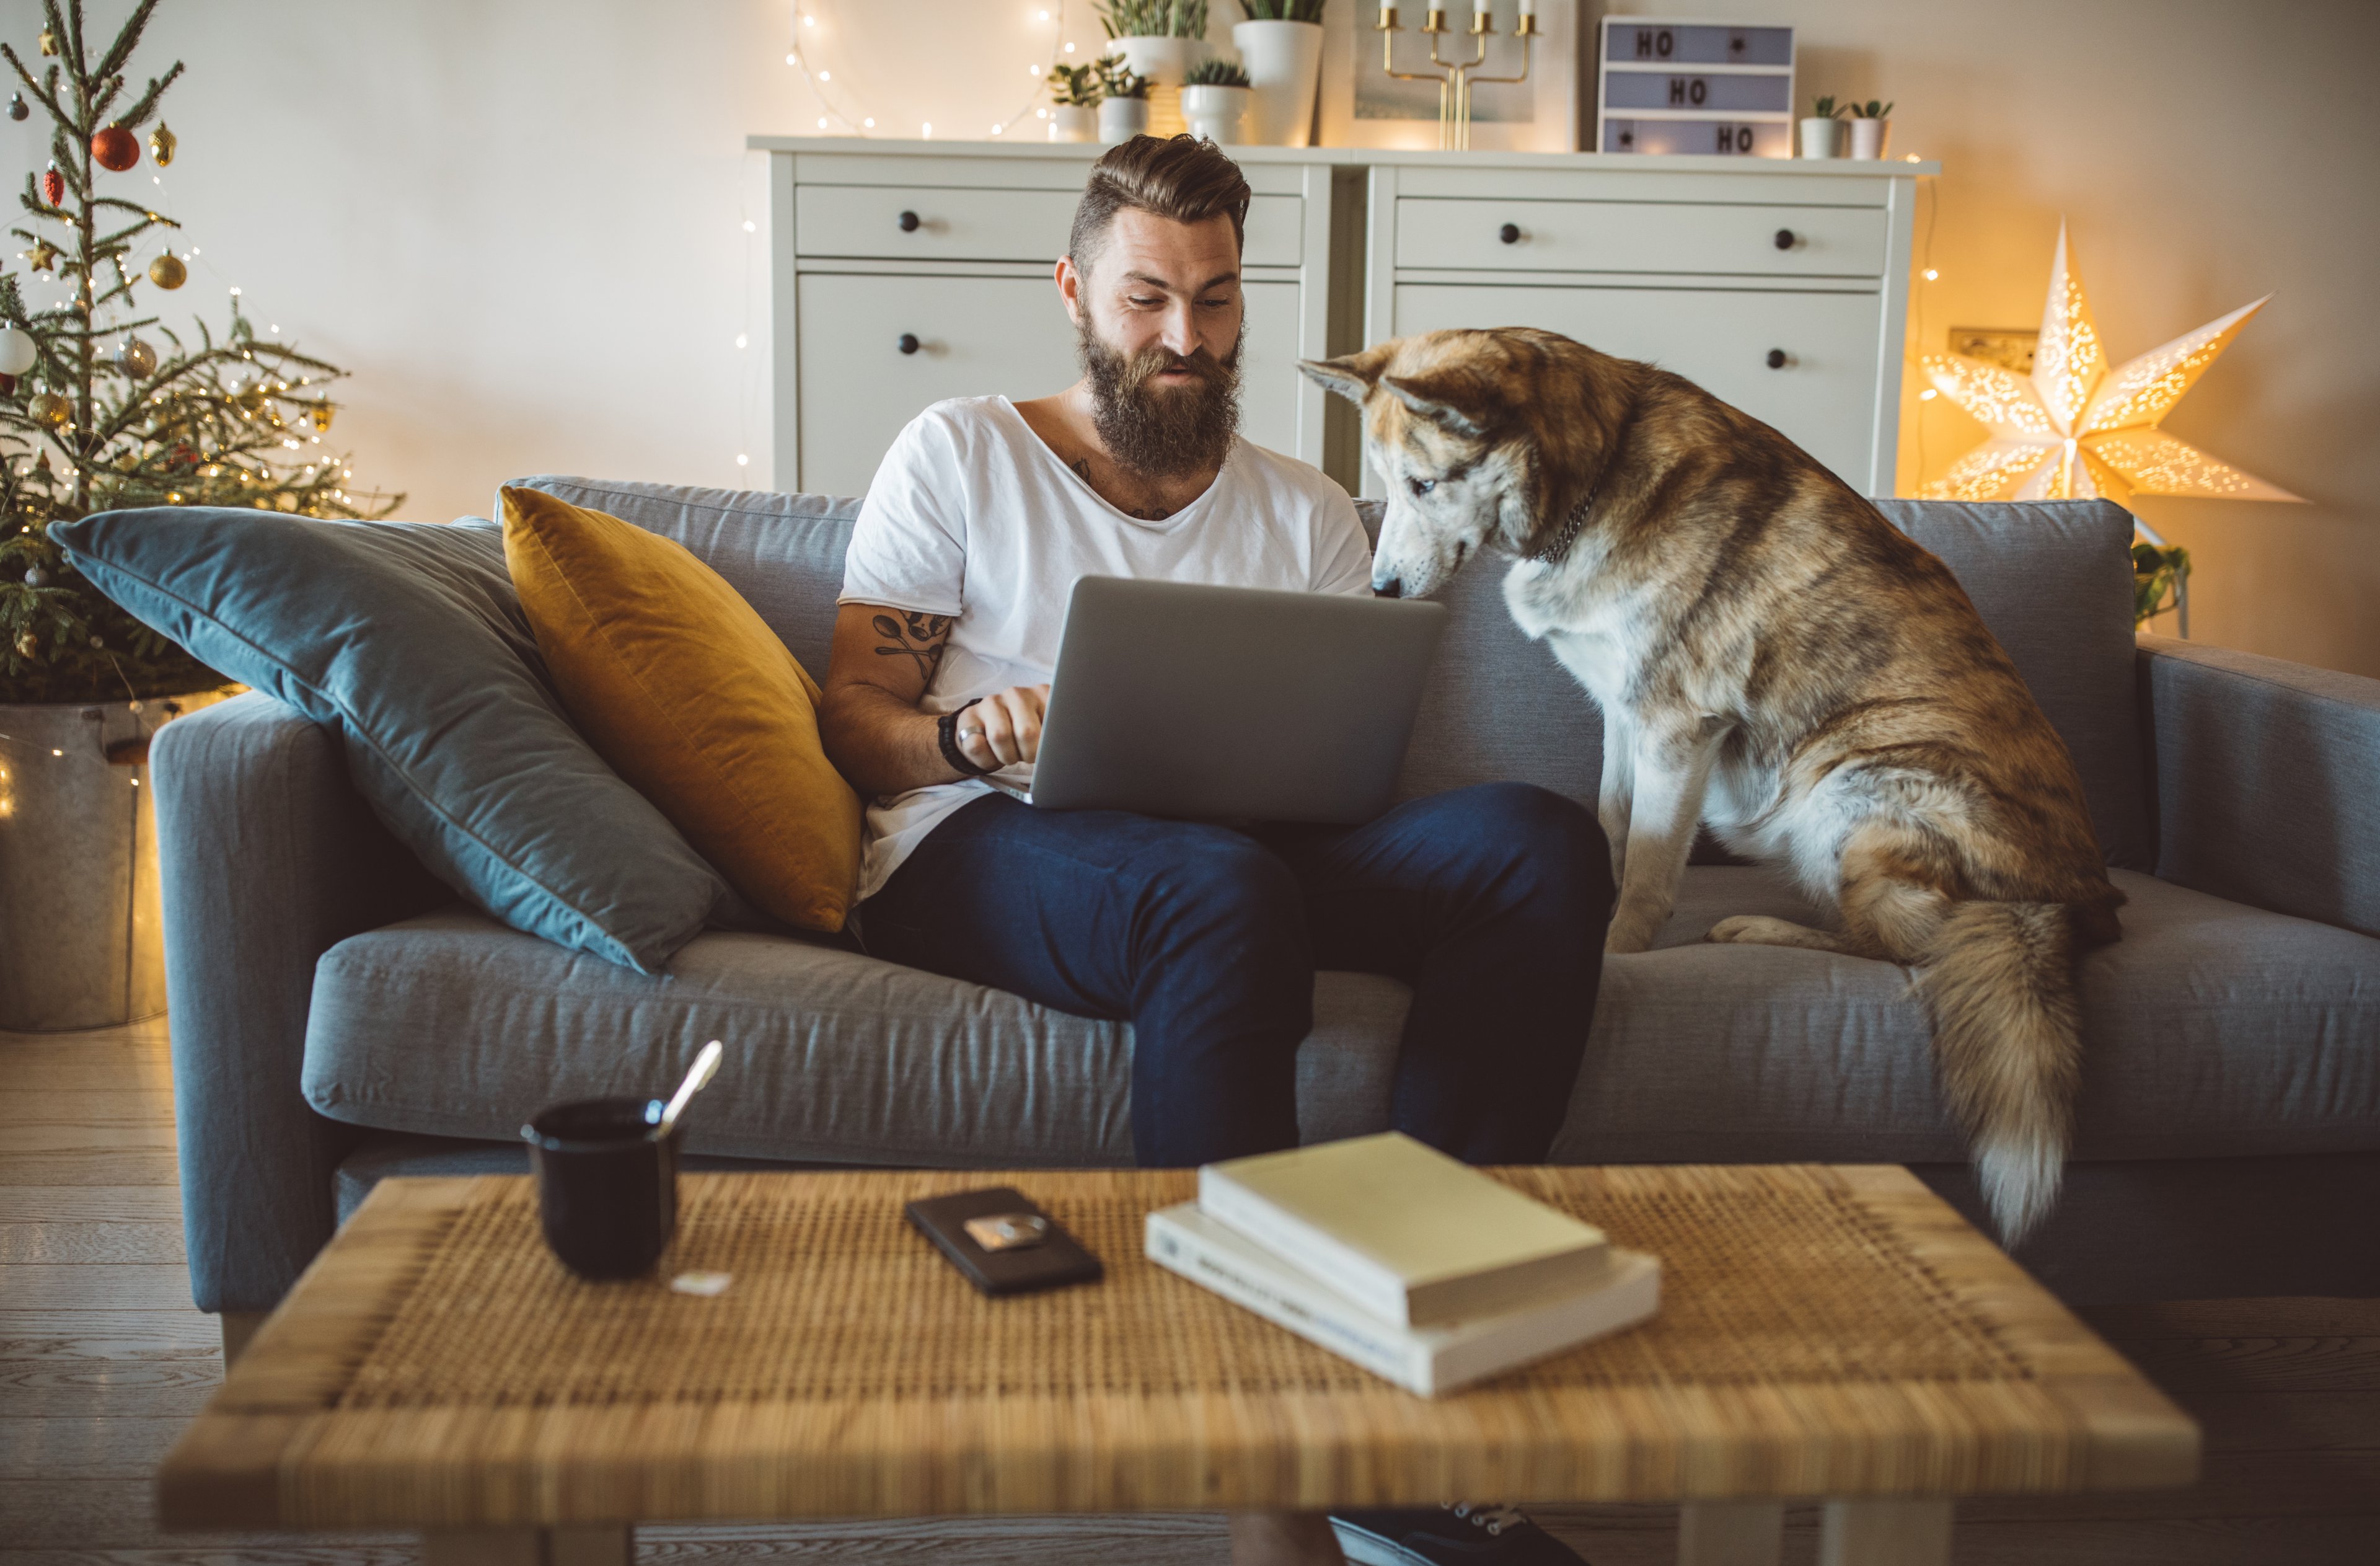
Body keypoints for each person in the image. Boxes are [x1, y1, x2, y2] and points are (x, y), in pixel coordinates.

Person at [820, 135, 1614, 1566]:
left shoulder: (1307, 513)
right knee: (1216, 887)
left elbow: (1330, 769)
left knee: (1539, 845)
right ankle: (1271, 1476)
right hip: (982, 842)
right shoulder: (959, 451)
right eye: (1146, 300)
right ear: (1075, 290)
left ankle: (1395, 1379)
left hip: (1236, 856)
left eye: (1218, 300)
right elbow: (856, 717)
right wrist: (965, 740)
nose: (1185, 339)